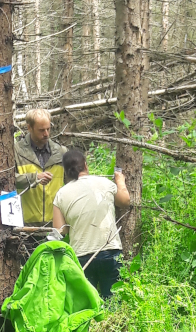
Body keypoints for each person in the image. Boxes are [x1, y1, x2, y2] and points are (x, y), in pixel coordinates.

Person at [52, 146, 131, 300]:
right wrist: (120, 182)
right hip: (109, 250)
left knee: (87, 305)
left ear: (66, 172)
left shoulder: (61, 194)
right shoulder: (104, 183)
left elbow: (60, 230)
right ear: (86, 165)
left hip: (81, 255)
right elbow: (125, 201)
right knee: (114, 302)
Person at [13, 108, 66, 226]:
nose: (46, 134)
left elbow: (71, 185)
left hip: (56, 224)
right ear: (29, 128)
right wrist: (34, 178)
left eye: (48, 129)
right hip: (25, 225)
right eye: (41, 130)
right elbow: (8, 181)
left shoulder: (61, 152)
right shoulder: (16, 151)